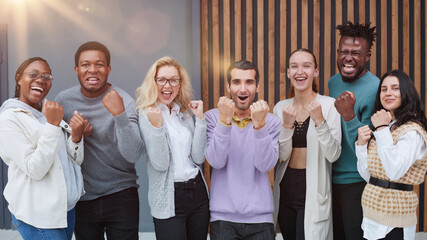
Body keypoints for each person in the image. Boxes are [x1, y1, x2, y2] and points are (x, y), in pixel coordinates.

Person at [55, 41, 144, 240]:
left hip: (121, 194)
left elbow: (133, 154)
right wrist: (76, 137)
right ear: (77, 69)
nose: (92, 70)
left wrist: (119, 114)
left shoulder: (124, 100)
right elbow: (57, 153)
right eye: (85, 65)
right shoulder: (64, 101)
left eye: (99, 64)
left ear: (108, 69)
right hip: (82, 196)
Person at [0, 57, 85, 240]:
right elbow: (35, 169)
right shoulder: (9, 118)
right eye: (33, 74)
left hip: (65, 210)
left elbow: (72, 161)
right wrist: (53, 125)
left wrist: (76, 137)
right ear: (19, 78)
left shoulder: (47, 113)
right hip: (38, 215)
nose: (41, 79)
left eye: (46, 76)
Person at [205, 60, 280, 240]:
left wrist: (260, 125)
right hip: (222, 218)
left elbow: (265, 165)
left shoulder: (270, 121)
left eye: (249, 82)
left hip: (261, 220)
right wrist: (224, 121)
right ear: (228, 86)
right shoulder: (213, 117)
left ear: (257, 86)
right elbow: (216, 161)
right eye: (237, 82)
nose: (243, 89)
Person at [135, 56, 209, 240]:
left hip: (197, 192)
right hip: (169, 197)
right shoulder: (146, 115)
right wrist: (158, 127)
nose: (167, 85)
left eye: (173, 80)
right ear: (153, 83)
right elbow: (160, 164)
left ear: (179, 84)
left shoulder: (183, 113)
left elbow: (199, 158)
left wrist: (200, 120)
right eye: (161, 80)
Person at [273, 49, 342, 240]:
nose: (300, 71)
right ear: (288, 73)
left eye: (306, 66)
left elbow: (333, 154)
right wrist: (287, 126)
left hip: (313, 188)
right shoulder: (281, 108)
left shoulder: (329, 106)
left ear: (316, 72)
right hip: (286, 187)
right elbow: (283, 154)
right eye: (294, 66)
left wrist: (320, 121)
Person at [356, 70, 427, 240]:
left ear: (407, 92)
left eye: (395, 88)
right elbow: (369, 176)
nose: (388, 93)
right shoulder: (387, 127)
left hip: (395, 219)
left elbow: (394, 171)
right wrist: (360, 146)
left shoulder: (413, 132)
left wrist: (380, 129)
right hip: (371, 215)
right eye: (384, 89)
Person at [328, 21, 380, 240]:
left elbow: (370, 146)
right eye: (344, 51)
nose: (348, 57)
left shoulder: (377, 88)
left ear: (367, 56)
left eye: (356, 53)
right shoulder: (332, 83)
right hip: (329, 179)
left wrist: (350, 116)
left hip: (359, 182)